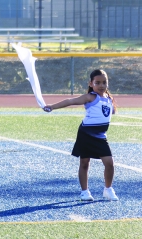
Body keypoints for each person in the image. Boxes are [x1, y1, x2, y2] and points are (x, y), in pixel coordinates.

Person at [43, 70, 119, 201]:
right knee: (84, 162)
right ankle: (85, 192)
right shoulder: (90, 97)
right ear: (91, 83)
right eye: (98, 82)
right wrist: (52, 107)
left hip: (101, 135)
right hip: (86, 134)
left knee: (109, 163)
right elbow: (70, 101)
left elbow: (110, 112)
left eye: (104, 82)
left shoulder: (109, 98)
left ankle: (108, 189)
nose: (101, 85)